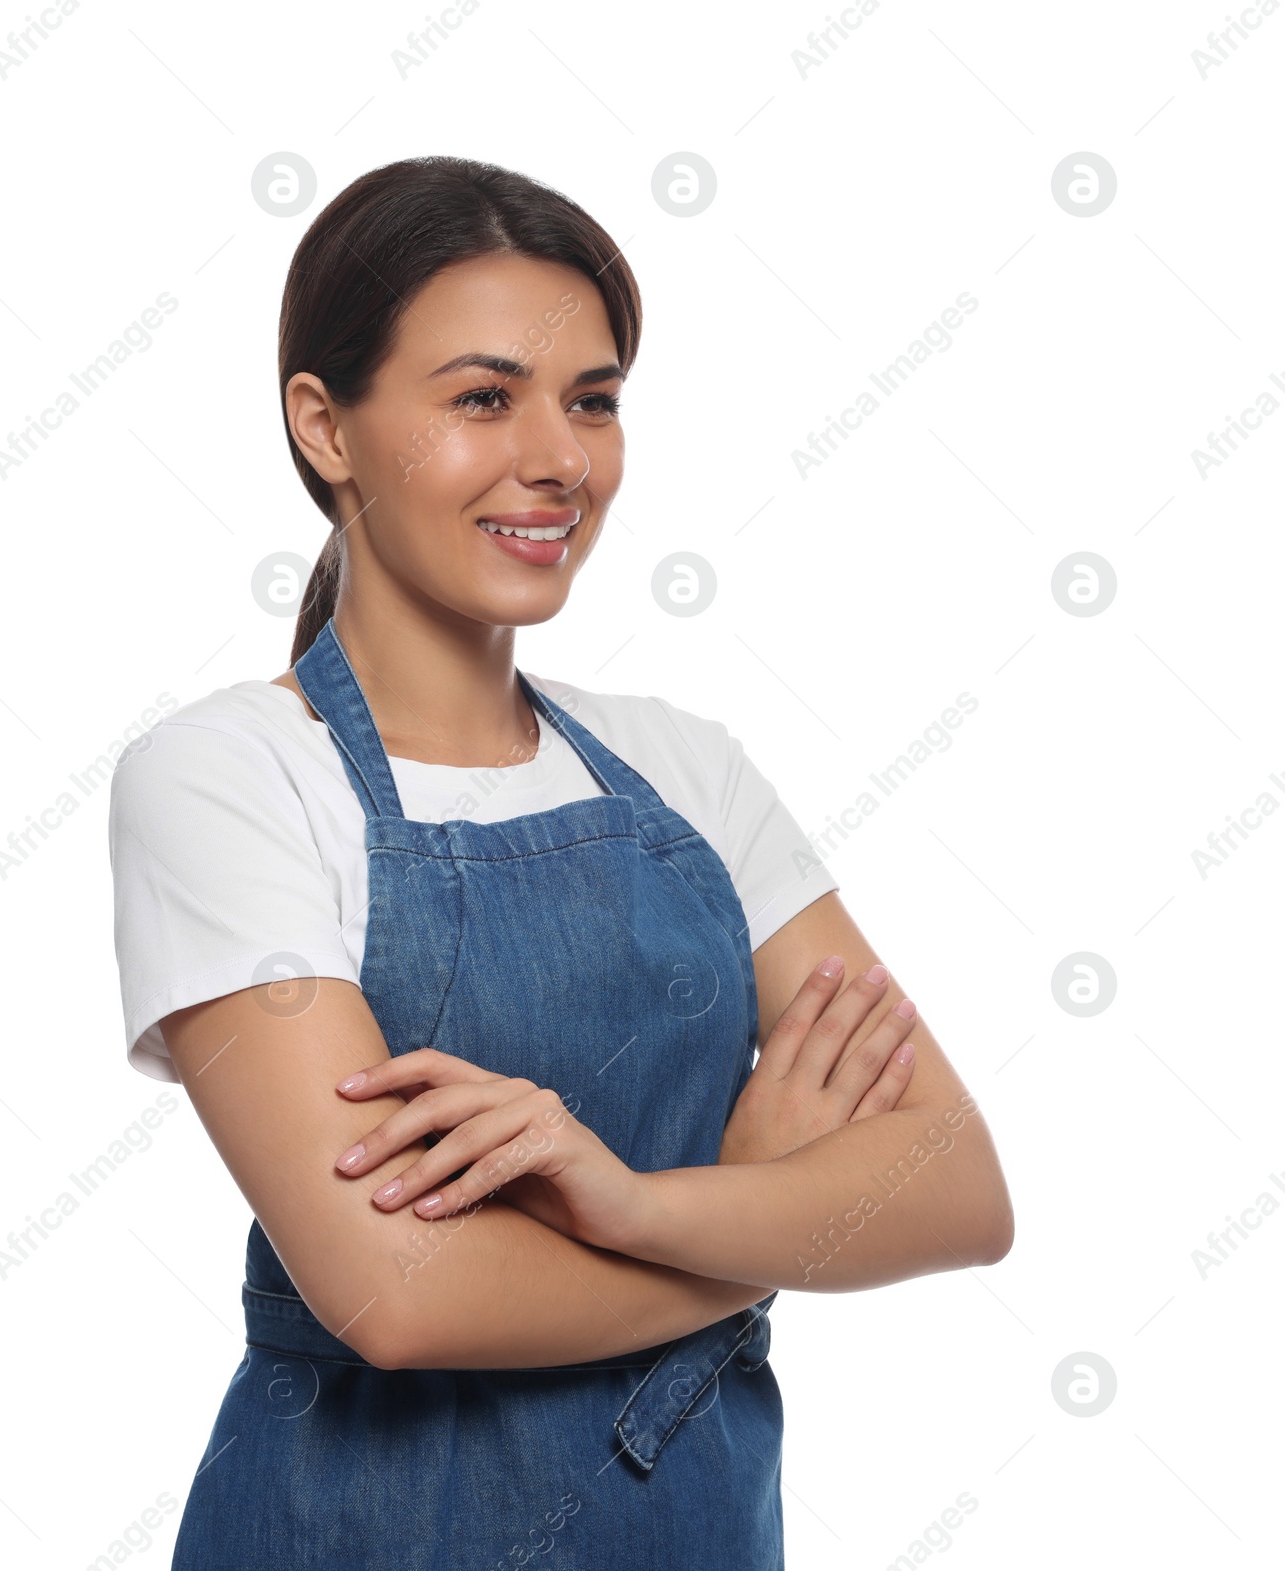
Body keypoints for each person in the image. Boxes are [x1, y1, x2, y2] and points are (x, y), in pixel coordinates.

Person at [107, 154, 1014, 1570]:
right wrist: (758, 1215)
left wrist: (638, 1198)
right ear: (325, 426)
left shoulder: (686, 765)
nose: (561, 458)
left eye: (592, 399)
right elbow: (395, 1295)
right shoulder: (230, 778)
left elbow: (956, 1190)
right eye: (483, 398)